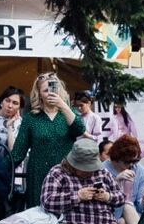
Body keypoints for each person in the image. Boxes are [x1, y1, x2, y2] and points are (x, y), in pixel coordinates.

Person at [9, 73, 86, 211]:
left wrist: (63, 105)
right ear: (39, 94)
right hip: (39, 175)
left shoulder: (68, 113)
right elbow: (17, 153)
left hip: (67, 174)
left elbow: (79, 129)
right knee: (40, 217)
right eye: (45, 90)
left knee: (67, 216)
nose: (50, 93)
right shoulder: (31, 118)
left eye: (53, 89)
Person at [104, 135, 144, 224]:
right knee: (123, 217)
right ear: (116, 158)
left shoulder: (140, 171)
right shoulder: (102, 170)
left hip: (135, 216)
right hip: (109, 217)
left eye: (135, 161)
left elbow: (143, 208)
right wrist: (116, 181)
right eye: (128, 161)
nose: (132, 165)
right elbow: (101, 202)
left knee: (127, 208)